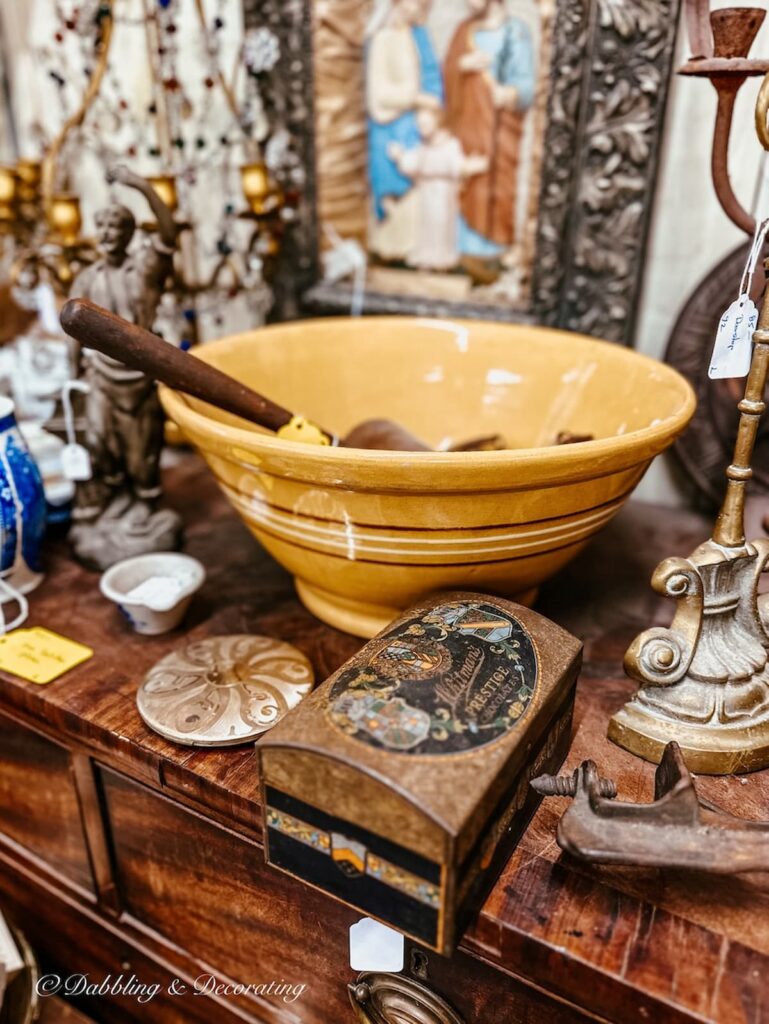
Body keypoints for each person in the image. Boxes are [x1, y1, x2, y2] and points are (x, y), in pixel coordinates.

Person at [68, 164, 180, 568]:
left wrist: (140, 185)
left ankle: (145, 510)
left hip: (138, 379)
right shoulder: (86, 276)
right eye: (103, 227)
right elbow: (75, 330)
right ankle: (117, 505)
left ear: (130, 234)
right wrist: (73, 372)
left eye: (116, 227)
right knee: (101, 446)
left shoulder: (145, 272)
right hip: (100, 378)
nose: (107, 235)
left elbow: (169, 234)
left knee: (141, 454)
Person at [443, 0, 536, 273]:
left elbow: (527, 83)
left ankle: (492, 250)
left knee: (495, 183)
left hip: (499, 128)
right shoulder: (464, 30)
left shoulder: (515, 32)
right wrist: (462, 65)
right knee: (467, 180)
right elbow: (447, 73)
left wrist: (511, 93)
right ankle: (461, 249)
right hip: (468, 124)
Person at [365, 0, 442, 261]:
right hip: (388, 128)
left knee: (417, 188)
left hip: (413, 126)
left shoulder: (416, 36)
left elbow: (430, 76)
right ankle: (389, 251)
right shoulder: (382, 39)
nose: (417, 7)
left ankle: (411, 251)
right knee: (393, 192)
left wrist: (428, 105)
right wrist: (416, 98)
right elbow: (379, 94)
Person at [389, 95, 487, 271]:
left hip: (443, 194)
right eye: (419, 125)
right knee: (426, 229)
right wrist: (400, 156)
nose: (422, 129)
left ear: (437, 121)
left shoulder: (449, 144)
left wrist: (470, 166)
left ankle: (441, 261)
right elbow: (413, 164)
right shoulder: (423, 147)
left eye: (425, 124)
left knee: (441, 226)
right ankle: (426, 261)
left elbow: (457, 166)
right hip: (426, 194)